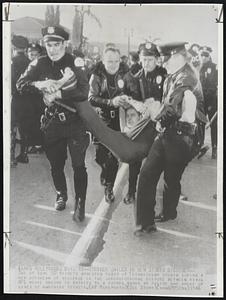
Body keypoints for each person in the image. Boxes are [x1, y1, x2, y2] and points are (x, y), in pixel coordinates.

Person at [17, 26, 90, 222]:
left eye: (57, 44)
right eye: (49, 44)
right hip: (53, 123)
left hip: (75, 122)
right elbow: (20, 84)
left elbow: (84, 91)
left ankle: (81, 203)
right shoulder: (39, 63)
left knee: (78, 165)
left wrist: (59, 93)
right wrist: (38, 85)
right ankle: (61, 194)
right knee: (56, 164)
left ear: (64, 44)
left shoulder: (75, 62)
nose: (53, 49)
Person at [134, 42, 207, 236]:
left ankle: (169, 212)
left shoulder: (187, 78)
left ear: (177, 57)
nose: (162, 64)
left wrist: (157, 118)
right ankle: (145, 223)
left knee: (171, 178)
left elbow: (173, 109)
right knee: (148, 174)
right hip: (168, 132)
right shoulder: (173, 76)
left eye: (165, 60)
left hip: (184, 137)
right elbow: (168, 106)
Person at [123, 42, 167, 204]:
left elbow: (170, 100)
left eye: (150, 59)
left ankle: (148, 195)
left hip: (157, 126)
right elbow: (124, 98)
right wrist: (135, 103)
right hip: (140, 126)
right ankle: (131, 191)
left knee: (153, 163)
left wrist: (156, 106)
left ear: (156, 59)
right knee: (135, 160)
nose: (147, 63)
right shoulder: (132, 77)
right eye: (144, 59)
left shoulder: (165, 76)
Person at [88, 45, 129, 203]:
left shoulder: (126, 75)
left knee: (113, 157)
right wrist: (110, 102)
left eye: (116, 61)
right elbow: (91, 98)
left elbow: (134, 92)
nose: (113, 64)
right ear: (103, 61)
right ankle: (105, 173)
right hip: (101, 119)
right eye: (109, 61)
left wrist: (127, 99)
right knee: (100, 156)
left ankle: (109, 188)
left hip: (119, 120)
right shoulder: (97, 76)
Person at [11, 35, 30, 166]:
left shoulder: (12, 62)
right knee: (24, 128)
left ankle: (11, 157)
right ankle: (24, 154)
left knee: (11, 127)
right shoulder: (31, 62)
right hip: (28, 100)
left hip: (15, 99)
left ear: (14, 47)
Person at [199, 46, 218, 159]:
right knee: (200, 123)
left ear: (209, 56)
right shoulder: (198, 67)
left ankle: (214, 148)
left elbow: (215, 85)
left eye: (206, 55)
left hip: (212, 101)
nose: (203, 57)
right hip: (201, 101)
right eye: (202, 55)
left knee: (213, 125)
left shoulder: (215, 67)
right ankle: (200, 145)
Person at [26, 43, 45, 154]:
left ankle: (38, 145)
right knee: (32, 121)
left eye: (35, 54)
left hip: (38, 98)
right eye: (30, 54)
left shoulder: (40, 66)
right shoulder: (28, 66)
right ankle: (35, 143)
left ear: (39, 55)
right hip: (30, 99)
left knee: (38, 121)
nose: (32, 57)